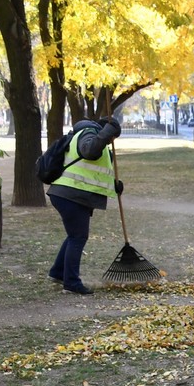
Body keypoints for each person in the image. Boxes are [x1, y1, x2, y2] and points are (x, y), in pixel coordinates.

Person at [46, 116, 124, 295]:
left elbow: (92, 172)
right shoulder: (88, 133)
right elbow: (89, 151)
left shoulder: (95, 138)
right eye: (112, 137)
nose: (111, 141)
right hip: (70, 194)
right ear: (106, 131)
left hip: (70, 194)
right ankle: (71, 283)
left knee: (74, 235)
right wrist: (106, 134)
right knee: (78, 237)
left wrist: (114, 186)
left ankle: (57, 272)